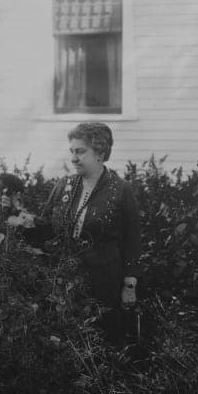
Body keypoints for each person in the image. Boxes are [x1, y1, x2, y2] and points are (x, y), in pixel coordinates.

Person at [38, 123, 141, 346]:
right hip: (66, 278)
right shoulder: (64, 185)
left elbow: (133, 240)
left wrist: (129, 286)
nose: (73, 158)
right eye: (72, 152)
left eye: (80, 151)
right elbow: (44, 227)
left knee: (101, 341)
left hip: (105, 282)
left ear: (100, 153)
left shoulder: (120, 190)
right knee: (65, 338)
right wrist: (18, 218)